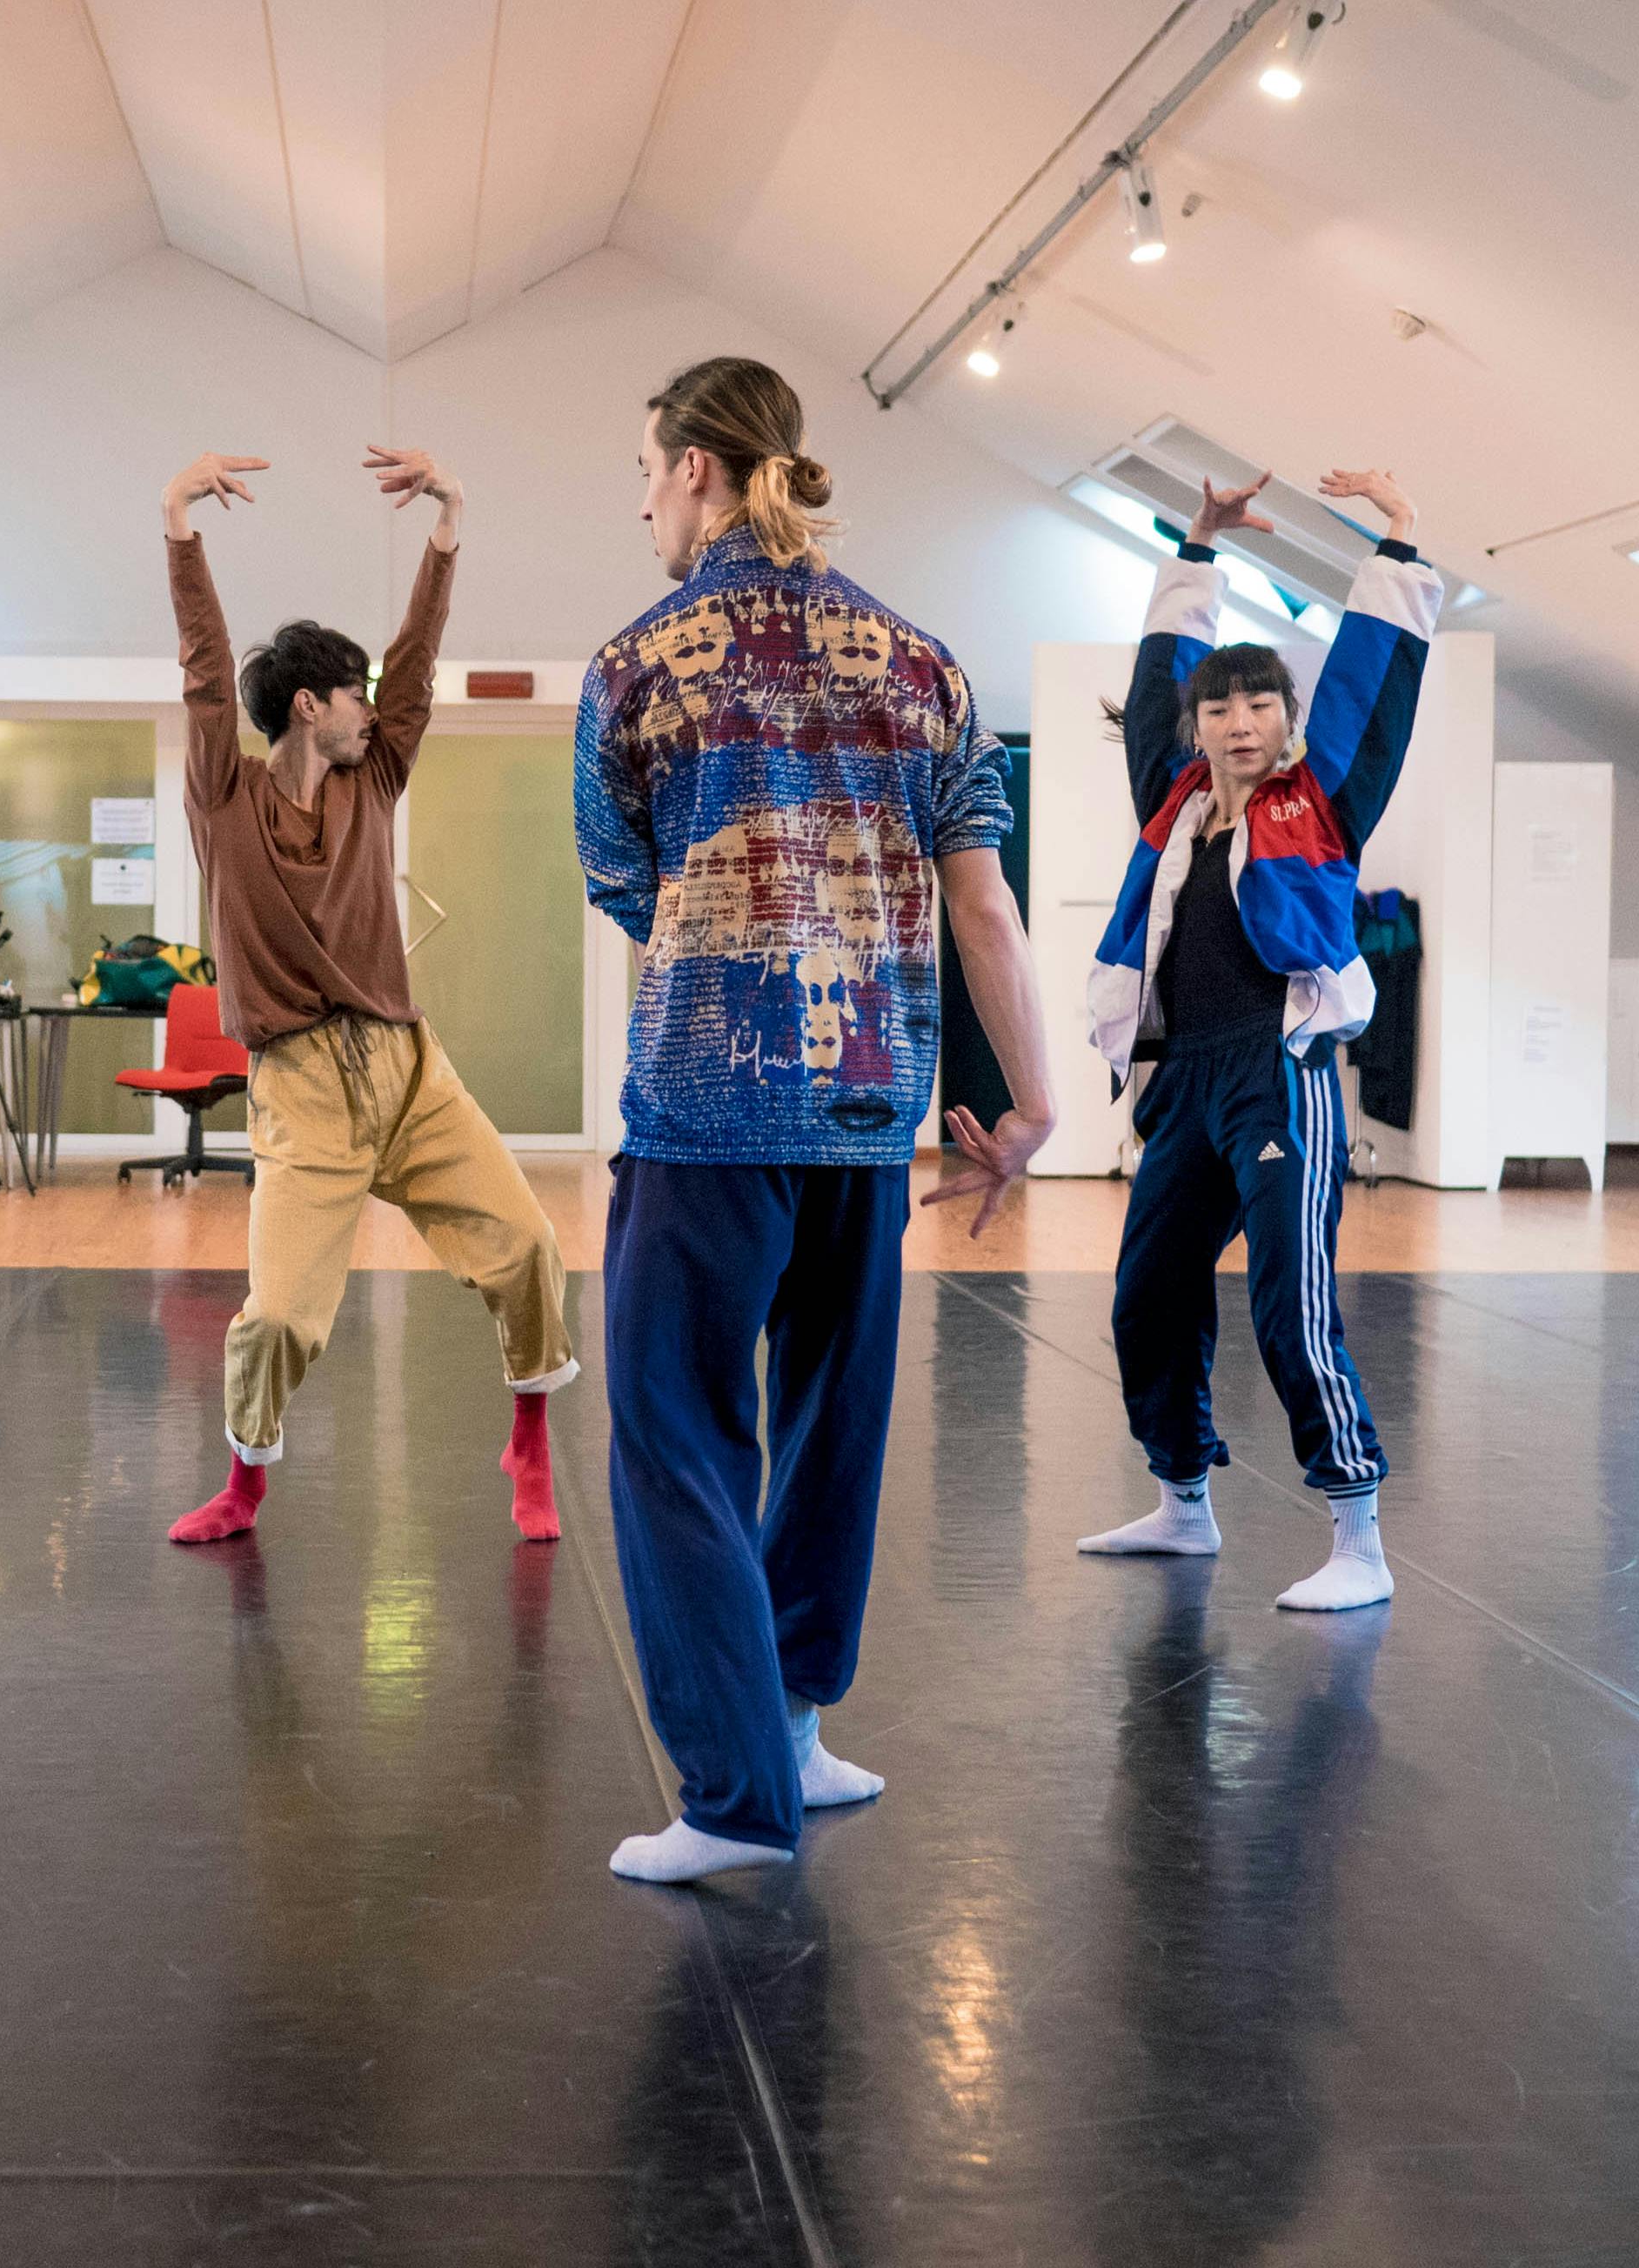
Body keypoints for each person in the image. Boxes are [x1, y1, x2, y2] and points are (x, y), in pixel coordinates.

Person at [577, 357, 1055, 1884]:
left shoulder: (635, 662)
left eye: (647, 467)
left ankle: (730, 1799)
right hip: (868, 1109)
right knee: (834, 1426)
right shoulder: (923, 664)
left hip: (707, 1109)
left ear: (701, 468)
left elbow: (632, 893)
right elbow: (981, 897)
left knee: (672, 1434)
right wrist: (1033, 1100)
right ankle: (790, 1729)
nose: (640, 496)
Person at [156, 445, 578, 1548]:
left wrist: (448, 521)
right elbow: (206, 675)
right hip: (301, 1094)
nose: (373, 709)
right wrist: (179, 528)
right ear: (310, 705)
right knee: (282, 1319)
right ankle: (243, 1491)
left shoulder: (374, 777)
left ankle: (528, 1442)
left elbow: (417, 662)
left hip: (407, 1071)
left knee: (530, 1247)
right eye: (355, 697)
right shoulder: (224, 796)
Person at [1074, 471, 1442, 1610]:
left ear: (1280, 724)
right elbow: (1153, 682)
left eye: (1257, 708)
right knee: (1146, 1296)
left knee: (1288, 1301)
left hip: (1279, 1077)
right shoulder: (1171, 804)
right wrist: (1195, 545)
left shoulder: (1317, 799)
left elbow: (1367, 686)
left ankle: (1355, 1533)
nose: (1236, 722)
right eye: (1217, 708)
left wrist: (1396, 535)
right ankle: (1182, 1505)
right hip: (1183, 1080)